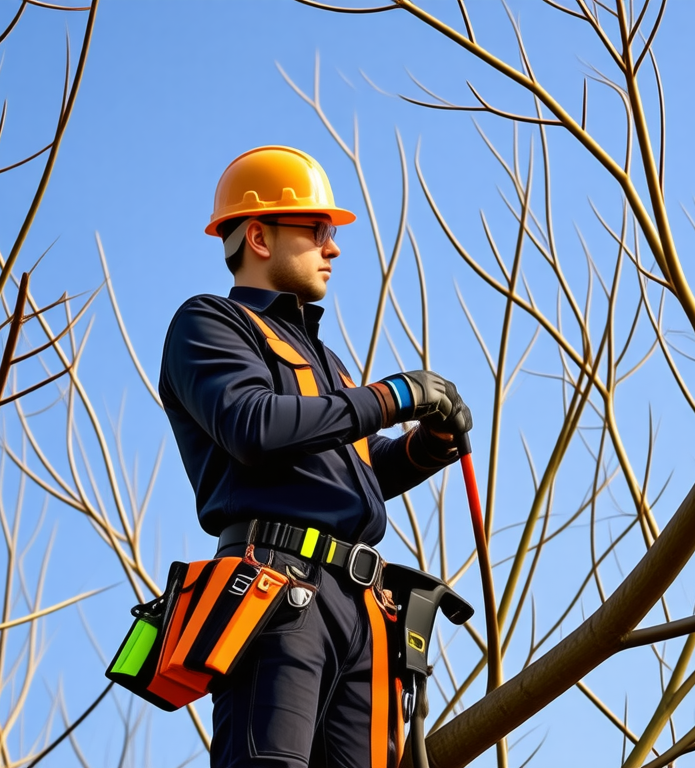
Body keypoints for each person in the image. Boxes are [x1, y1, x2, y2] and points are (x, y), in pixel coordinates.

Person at [159, 145, 471, 768]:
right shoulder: (208, 324)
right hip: (277, 587)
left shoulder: (324, 363)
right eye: (318, 230)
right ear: (259, 235)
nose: (333, 247)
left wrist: (428, 443)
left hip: (360, 604)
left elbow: (356, 472)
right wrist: (394, 395)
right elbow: (251, 424)